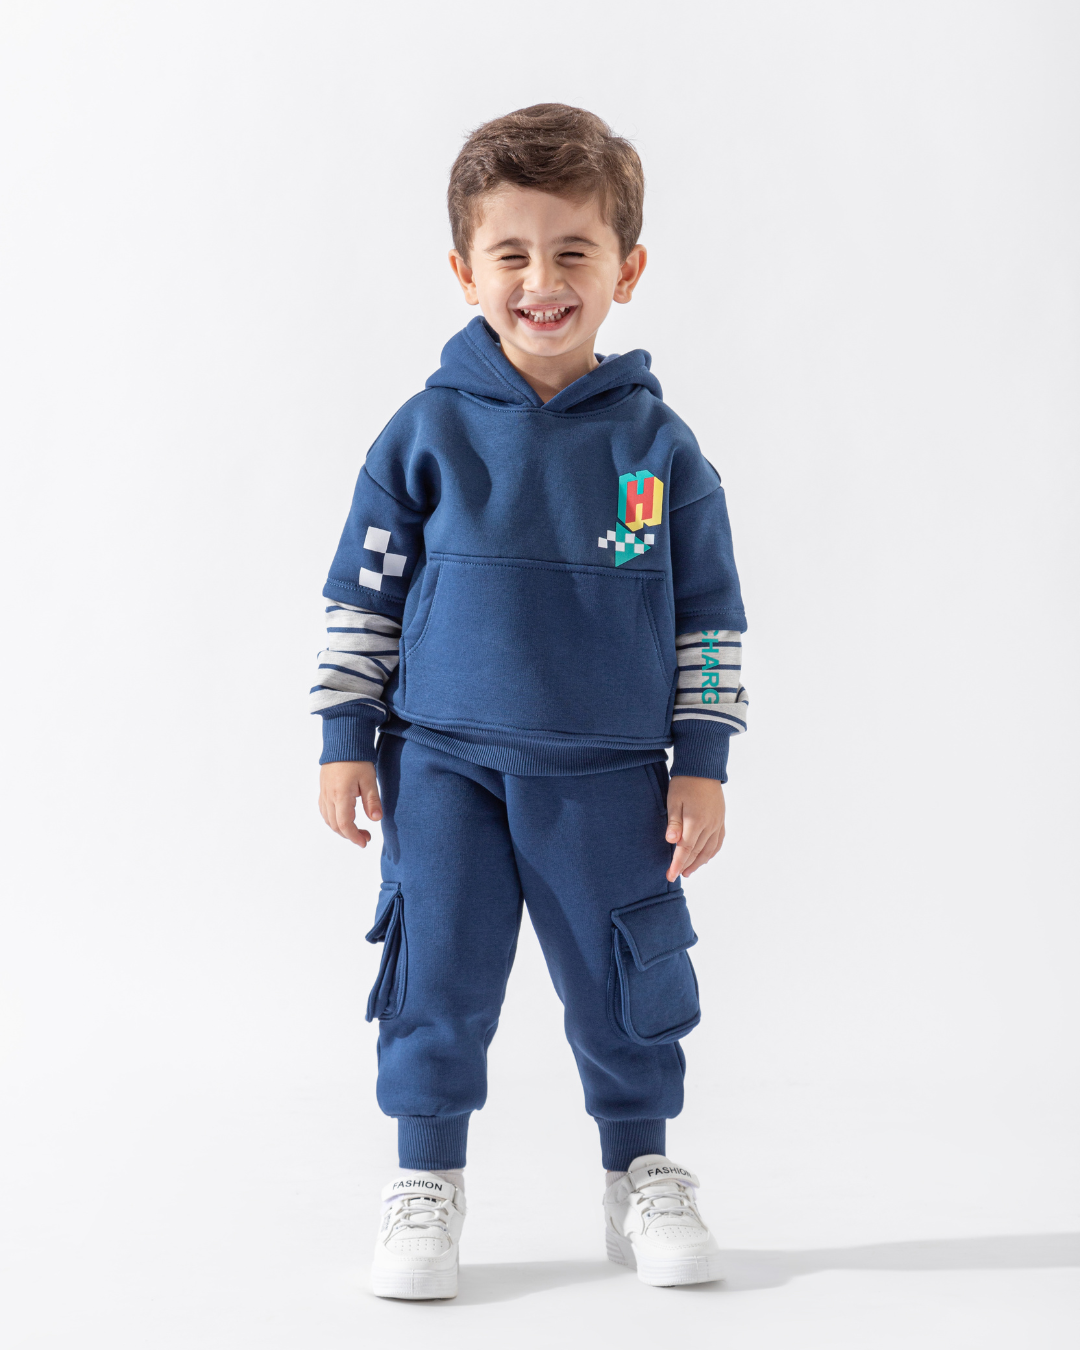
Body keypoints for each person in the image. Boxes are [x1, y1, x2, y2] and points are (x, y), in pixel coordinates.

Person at [310, 104, 748, 1298]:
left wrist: (702, 762)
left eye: (573, 252)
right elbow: (363, 594)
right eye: (511, 254)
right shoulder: (424, 435)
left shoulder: (660, 453)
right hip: (439, 764)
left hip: (607, 773)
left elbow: (710, 623)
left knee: (622, 986)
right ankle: (427, 1180)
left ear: (626, 270)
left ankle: (639, 1170)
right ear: (465, 271)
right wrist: (346, 737)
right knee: (436, 977)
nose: (542, 282)